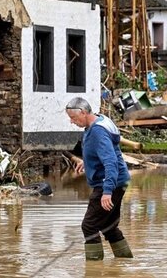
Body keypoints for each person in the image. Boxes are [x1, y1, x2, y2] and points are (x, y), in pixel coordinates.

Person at [65, 97, 133, 261]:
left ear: (83, 112)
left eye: (73, 118)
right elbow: (103, 152)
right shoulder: (97, 122)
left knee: (89, 225)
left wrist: (107, 191)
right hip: (118, 180)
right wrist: (87, 163)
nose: (72, 122)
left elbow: (111, 162)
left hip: (109, 183)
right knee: (108, 226)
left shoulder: (98, 131)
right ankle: (124, 261)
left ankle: (94, 269)